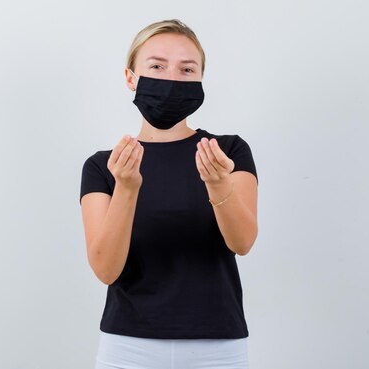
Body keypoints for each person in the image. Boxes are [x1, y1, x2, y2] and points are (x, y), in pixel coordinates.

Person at [79, 19, 259, 369]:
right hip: (127, 348)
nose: (172, 79)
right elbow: (105, 269)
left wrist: (218, 183)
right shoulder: (104, 167)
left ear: (201, 82)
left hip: (218, 347)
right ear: (131, 78)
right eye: (157, 66)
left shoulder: (229, 152)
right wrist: (128, 189)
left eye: (187, 69)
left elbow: (242, 242)